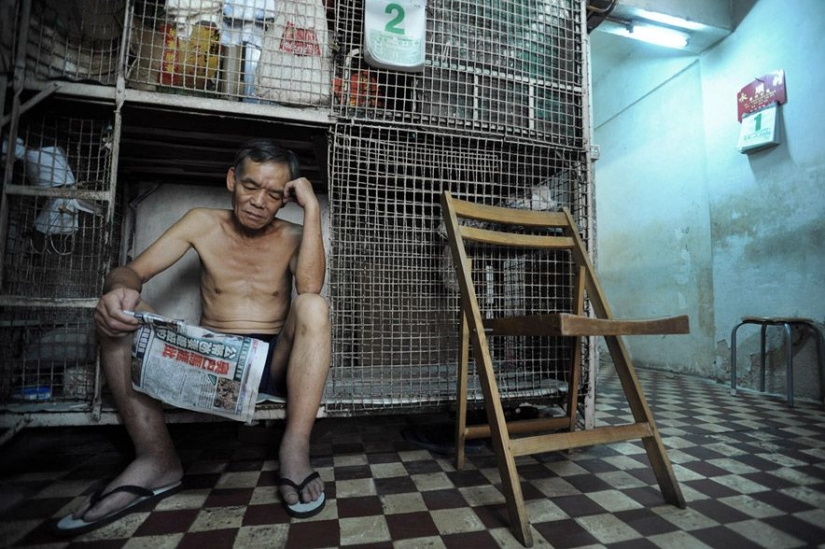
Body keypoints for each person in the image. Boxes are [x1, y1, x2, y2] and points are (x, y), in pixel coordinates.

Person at [54, 139, 332, 536]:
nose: (258, 202)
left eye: (273, 194)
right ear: (232, 179)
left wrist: (312, 207)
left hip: (274, 365)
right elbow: (130, 272)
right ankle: (156, 459)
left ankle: (295, 448)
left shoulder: (293, 233)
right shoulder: (202, 222)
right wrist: (119, 290)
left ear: (285, 198)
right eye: (251, 186)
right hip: (212, 360)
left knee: (313, 306)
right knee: (118, 312)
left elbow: (309, 286)